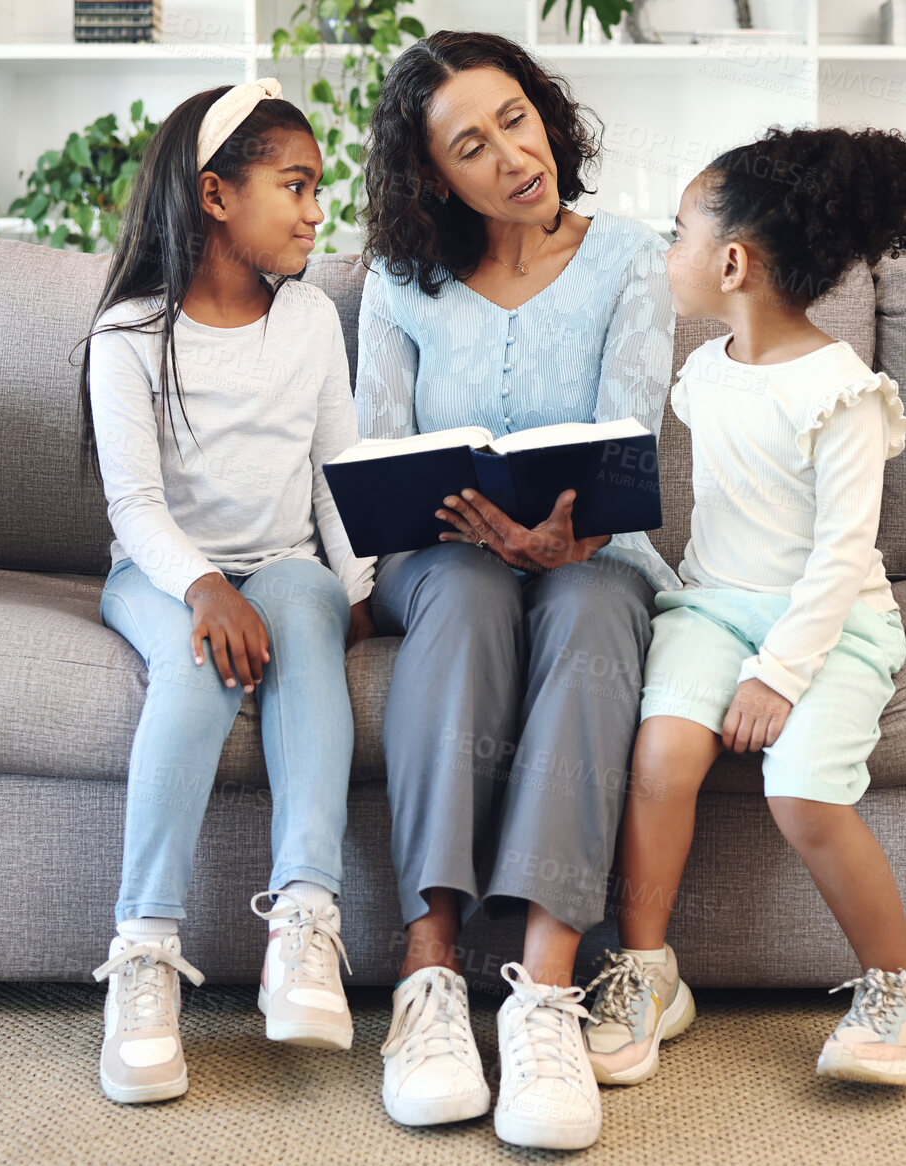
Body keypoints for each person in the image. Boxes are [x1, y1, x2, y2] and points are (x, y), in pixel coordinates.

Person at [354, 30, 676, 1151]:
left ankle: (542, 992)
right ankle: (431, 971)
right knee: (465, 590)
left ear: (546, 112)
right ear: (431, 176)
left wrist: (568, 531)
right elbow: (380, 452)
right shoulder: (398, 281)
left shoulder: (631, 253)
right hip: (443, 557)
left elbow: (629, 432)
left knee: (589, 606)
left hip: (595, 554)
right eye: (469, 145)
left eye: (515, 118)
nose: (509, 154)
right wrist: (455, 526)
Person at [580, 125, 906, 1089]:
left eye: (678, 234)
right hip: (710, 607)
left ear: (733, 261)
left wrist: (777, 676)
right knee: (660, 759)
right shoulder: (704, 372)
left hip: (828, 623)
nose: (668, 252)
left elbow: (840, 558)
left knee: (802, 794)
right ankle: (648, 972)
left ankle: (896, 991)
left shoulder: (843, 393)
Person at [78, 79, 375, 1104]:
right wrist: (205, 587)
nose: (312, 211)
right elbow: (135, 507)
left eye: (317, 189)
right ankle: (145, 948)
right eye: (293, 185)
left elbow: (339, 475)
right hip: (162, 572)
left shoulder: (308, 321)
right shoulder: (128, 333)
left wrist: (358, 584)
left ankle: (304, 919)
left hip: (282, 556)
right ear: (214, 194)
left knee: (300, 611)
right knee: (203, 660)